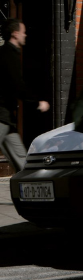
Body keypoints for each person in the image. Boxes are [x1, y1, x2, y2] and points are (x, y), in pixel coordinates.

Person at [0, 19, 50, 172]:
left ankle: (33, 192)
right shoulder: (7, 54)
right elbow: (17, 84)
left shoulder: (10, 54)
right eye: (23, 31)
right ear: (15, 34)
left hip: (6, 119)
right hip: (1, 116)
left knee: (22, 161)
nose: (25, 35)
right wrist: (36, 103)